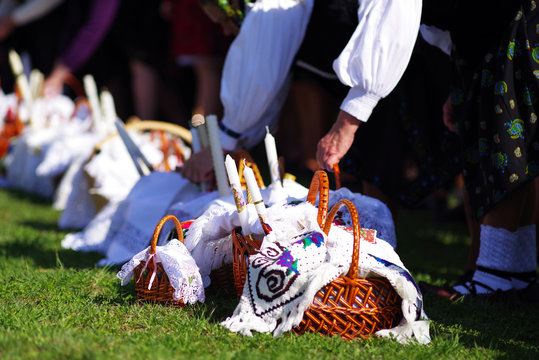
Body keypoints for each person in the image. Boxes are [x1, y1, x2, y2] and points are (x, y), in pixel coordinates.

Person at [181, 0, 422, 184]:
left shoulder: (272, 11)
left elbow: (260, 66)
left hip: (399, 58)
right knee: (371, 172)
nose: (225, 31)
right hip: (376, 70)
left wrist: (224, 140)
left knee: (384, 165)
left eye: (225, 19)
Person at [414, 1, 538, 301]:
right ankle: (516, 272)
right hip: (485, 36)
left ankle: (493, 274)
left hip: (509, 26)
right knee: (507, 145)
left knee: (507, 146)